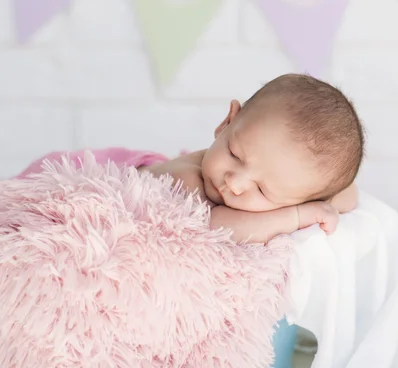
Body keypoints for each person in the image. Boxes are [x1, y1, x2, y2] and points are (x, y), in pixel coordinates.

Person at [16, 74, 364, 243]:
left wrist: (323, 198)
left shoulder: (274, 177)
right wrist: (300, 212)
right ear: (227, 122)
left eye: (262, 190)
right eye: (234, 152)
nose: (235, 182)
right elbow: (219, 228)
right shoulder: (188, 184)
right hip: (70, 178)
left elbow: (348, 194)